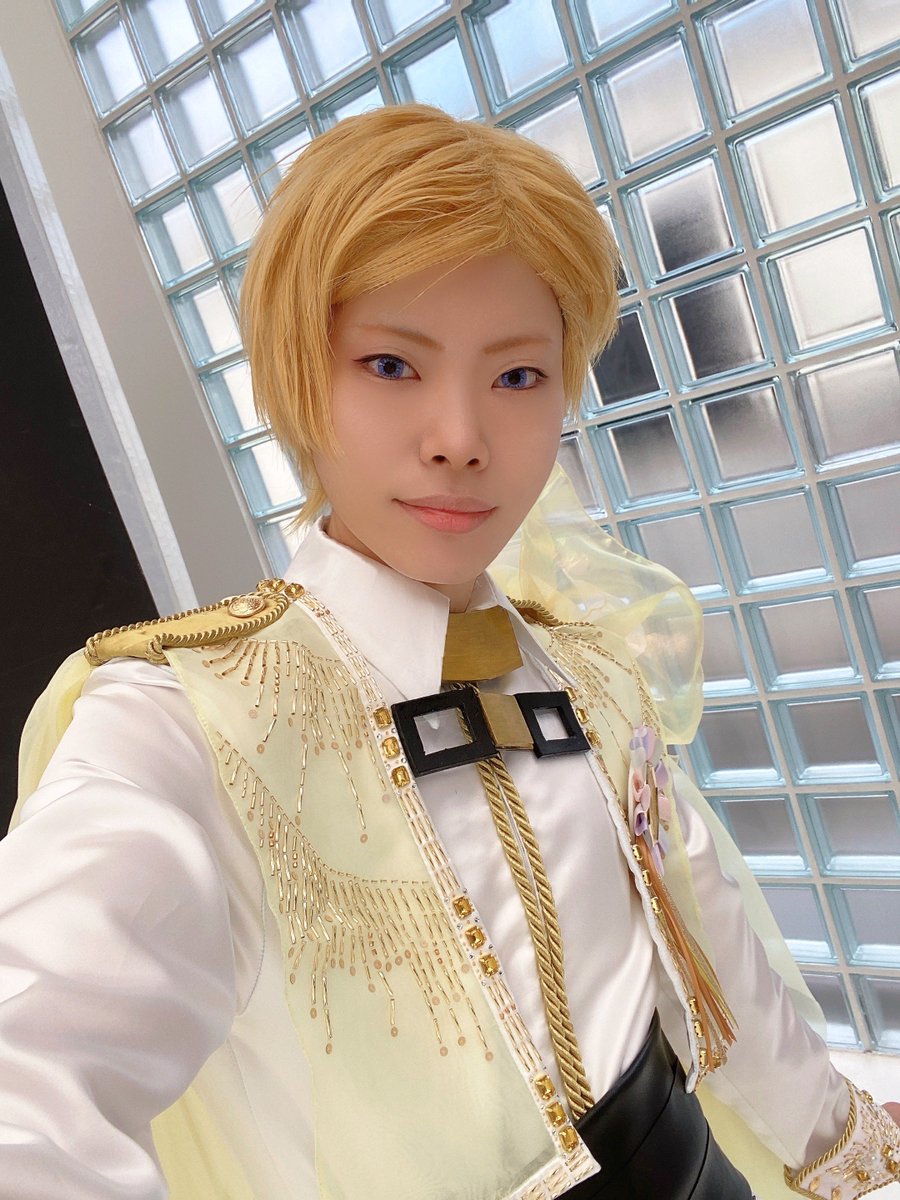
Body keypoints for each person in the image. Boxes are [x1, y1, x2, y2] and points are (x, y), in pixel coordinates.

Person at [1, 103, 898, 1200]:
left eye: (518, 377)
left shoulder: (590, 674)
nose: (461, 439)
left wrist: (841, 1137)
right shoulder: (188, 719)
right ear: (295, 374)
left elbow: (709, 943)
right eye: (390, 364)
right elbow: (28, 1081)